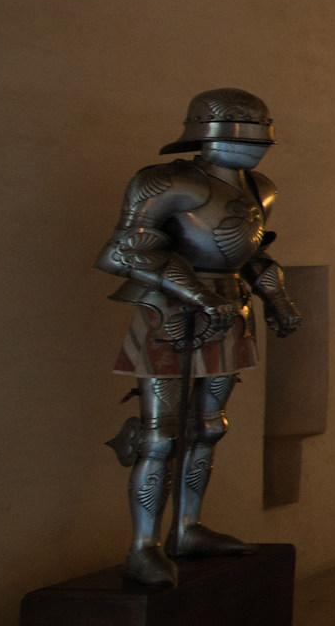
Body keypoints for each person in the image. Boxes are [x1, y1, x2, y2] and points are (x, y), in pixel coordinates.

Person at [98, 89, 302, 585]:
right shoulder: (164, 182)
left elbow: (247, 254)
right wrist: (194, 293)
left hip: (230, 308)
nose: (253, 139)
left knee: (210, 426)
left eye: (259, 127)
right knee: (159, 435)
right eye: (241, 126)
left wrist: (276, 299)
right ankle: (143, 544)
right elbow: (123, 252)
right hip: (169, 311)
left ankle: (186, 527)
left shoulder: (261, 189)